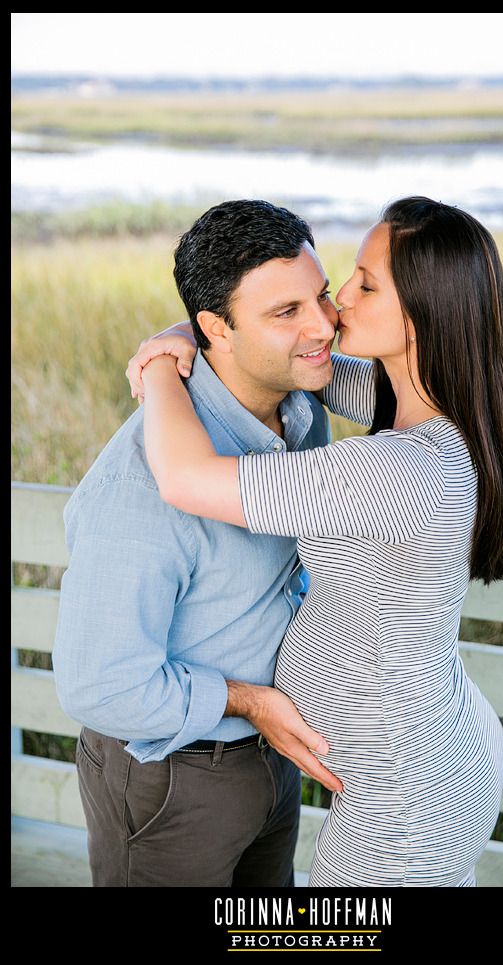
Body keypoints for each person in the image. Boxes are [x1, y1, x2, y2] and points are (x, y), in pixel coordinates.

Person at [127, 195, 503, 888]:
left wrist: (157, 367)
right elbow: (281, 357)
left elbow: (185, 478)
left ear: (421, 316)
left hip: (403, 795)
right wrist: (195, 328)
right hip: (436, 746)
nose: (338, 298)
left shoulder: (401, 469)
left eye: (366, 284)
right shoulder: (427, 402)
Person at [52, 199, 346, 889]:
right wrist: (249, 700)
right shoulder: (140, 491)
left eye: (322, 295)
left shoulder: (303, 411)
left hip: (270, 761)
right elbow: (99, 684)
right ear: (217, 328)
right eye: (286, 312)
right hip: (171, 781)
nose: (323, 325)